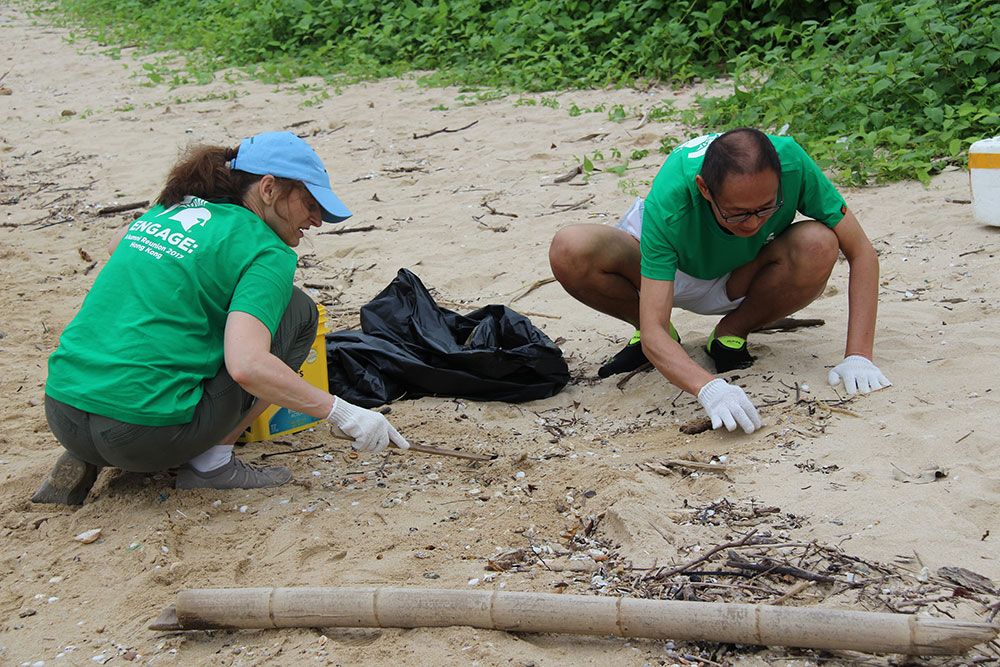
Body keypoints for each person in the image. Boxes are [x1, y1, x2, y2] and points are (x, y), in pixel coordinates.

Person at [33, 131, 409, 504]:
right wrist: (341, 412)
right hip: (141, 438)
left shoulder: (170, 210)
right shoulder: (267, 251)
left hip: (63, 413)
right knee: (299, 312)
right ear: (269, 188)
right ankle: (212, 465)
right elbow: (246, 366)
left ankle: (88, 455)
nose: (316, 221)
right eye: (310, 204)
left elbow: (118, 246)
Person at [549, 128, 891, 435]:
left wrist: (859, 355)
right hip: (662, 273)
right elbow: (653, 328)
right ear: (705, 190)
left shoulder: (792, 163)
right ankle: (668, 342)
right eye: (738, 212)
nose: (753, 222)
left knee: (819, 242)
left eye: (766, 207)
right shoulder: (673, 196)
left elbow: (861, 252)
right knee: (571, 248)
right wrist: (709, 388)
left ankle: (731, 333)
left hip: (744, 271)